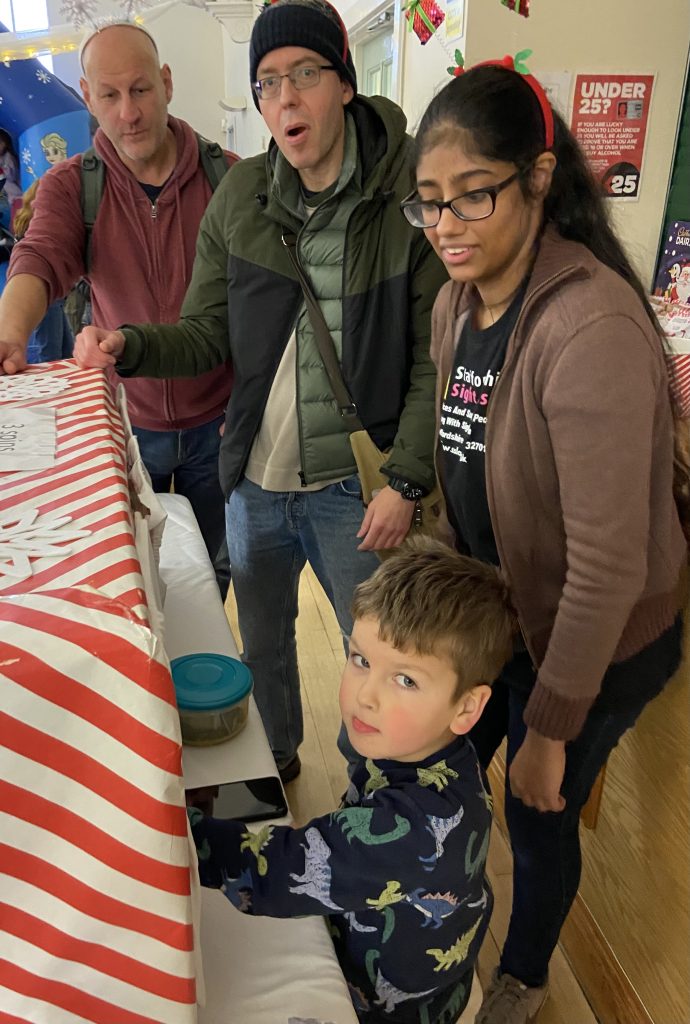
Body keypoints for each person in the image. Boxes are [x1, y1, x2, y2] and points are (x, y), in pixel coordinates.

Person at [74, 0, 446, 782]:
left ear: (343, 84)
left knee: (374, 652)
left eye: (303, 76)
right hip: (255, 484)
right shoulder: (242, 200)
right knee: (263, 643)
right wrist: (130, 345)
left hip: (358, 490)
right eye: (268, 82)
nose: (285, 99)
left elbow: (433, 361)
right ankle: (276, 761)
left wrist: (408, 479)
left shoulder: (406, 195)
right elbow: (207, 332)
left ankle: (368, 786)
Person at [400, 58, 688, 1024]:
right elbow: (466, 480)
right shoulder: (456, 305)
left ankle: (523, 977)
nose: (446, 227)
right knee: (427, 754)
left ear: (536, 176)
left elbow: (608, 568)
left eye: (472, 196)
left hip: (602, 639)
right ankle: (423, 912)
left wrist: (551, 730)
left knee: (536, 803)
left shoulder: (589, 326)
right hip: (509, 606)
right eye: (429, 204)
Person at [187, 538, 517, 1024]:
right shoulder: (422, 748)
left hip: (395, 1008)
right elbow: (343, 838)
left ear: (467, 707)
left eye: (405, 680)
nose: (365, 696)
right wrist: (210, 798)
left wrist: (172, 822)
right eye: (361, 659)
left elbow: (272, 874)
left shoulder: (414, 827)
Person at [0, 22, 235, 598]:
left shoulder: (228, 177)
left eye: (141, 90)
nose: (128, 112)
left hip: (223, 423)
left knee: (215, 571)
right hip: (128, 427)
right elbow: (39, 259)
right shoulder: (70, 187)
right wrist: (9, 332)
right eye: (109, 95)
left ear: (167, 83)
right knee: (139, 578)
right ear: (87, 97)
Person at [12, 180, 73, 362]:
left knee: (65, 352)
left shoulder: (28, 224)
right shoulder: (40, 227)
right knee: (50, 354)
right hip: (46, 293)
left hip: (53, 295)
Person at [0, 128, 22, 201]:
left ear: (5, 144)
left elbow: (11, 176)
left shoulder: (8, 157)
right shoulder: (2, 158)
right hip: (12, 197)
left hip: (19, 195)